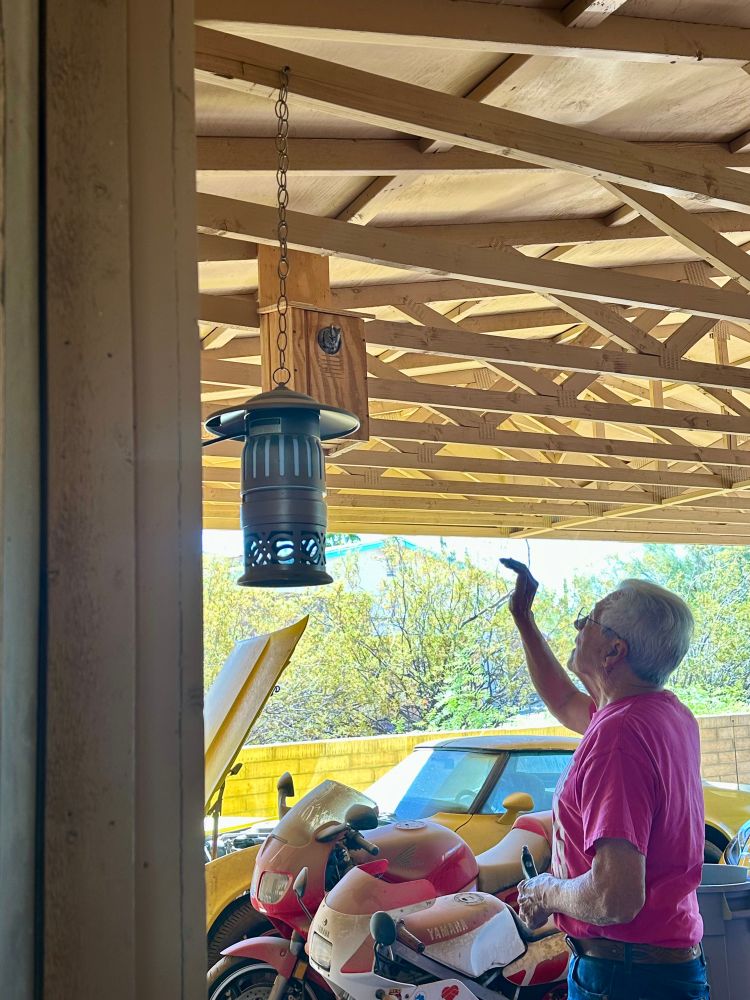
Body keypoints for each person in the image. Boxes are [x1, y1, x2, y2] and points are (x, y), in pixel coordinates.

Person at [501, 558, 709, 1000]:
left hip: (624, 979)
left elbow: (615, 896)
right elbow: (563, 700)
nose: (578, 625)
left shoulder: (619, 735)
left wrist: (545, 890)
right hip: (654, 971)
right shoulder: (662, 713)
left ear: (614, 651)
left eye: (590, 620)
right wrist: (524, 620)